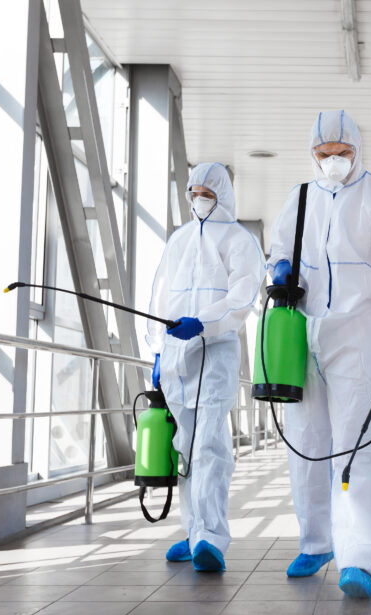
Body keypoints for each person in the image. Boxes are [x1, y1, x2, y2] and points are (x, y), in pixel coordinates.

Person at [268, 110, 371, 598]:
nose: (333, 162)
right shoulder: (301, 197)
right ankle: (316, 541)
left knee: (357, 445)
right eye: (324, 154)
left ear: (357, 150)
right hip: (303, 330)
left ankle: (357, 557)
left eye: (343, 153)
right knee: (308, 442)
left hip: (360, 331)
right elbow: (274, 252)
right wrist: (279, 268)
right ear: (312, 154)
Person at [147, 162, 265, 572]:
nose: (199, 199)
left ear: (222, 195)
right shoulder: (178, 240)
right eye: (193, 191)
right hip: (177, 358)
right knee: (184, 446)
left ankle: (211, 538)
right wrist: (158, 351)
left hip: (214, 354)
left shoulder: (238, 239)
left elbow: (243, 294)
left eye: (207, 193)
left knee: (210, 444)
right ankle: (192, 529)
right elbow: (159, 298)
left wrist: (205, 322)